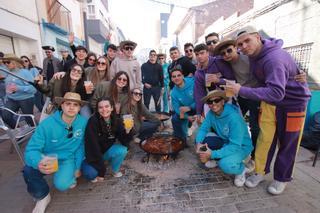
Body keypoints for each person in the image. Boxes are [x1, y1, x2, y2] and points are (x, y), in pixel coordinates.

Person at [228, 25, 311, 195]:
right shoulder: (254, 55)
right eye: (240, 44)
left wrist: (240, 90)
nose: (243, 46)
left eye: (247, 41)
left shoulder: (274, 58)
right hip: (270, 103)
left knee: (288, 143)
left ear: (257, 37)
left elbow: (276, 92)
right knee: (264, 140)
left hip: (293, 104)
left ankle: (282, 178)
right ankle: (260, 171)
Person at [22, 92, 87, 213]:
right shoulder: (47, 124)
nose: (72, 107)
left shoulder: (83, 123)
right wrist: (39, 162)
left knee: (62, 185)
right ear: (62, 105)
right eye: (68, 104)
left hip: (67, 159)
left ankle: (67, 175)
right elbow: (31, 149)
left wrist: (77, 167)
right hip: (47, 157)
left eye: (75, 105)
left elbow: (81, 146)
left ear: (79, 108)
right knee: (28, 170)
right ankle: (43, 196)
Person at [196, 90, 253, 187]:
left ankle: (241, 169)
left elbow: (234, 146)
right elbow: (203, 129)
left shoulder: (234, 118)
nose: (213, 104)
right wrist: (198, 143)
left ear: (223, 101)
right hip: (226, 142)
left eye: (216, 100)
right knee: (204, 141)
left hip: (241, 146)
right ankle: (218, 158)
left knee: (225, 165)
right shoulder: (211, 114)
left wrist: (211, 154)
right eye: (210, 102)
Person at [81, 98, 132, 182]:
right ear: (97, 109)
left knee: (123, 150)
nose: (104, 109)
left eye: (107, 106)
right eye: (100, 107)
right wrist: (102, 171)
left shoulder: (116, 120)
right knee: (91, 174)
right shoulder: (93, 121)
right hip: (91, 154)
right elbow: (93, 147)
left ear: (112, 108)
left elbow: (124, 141)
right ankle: (86, 166)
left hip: (104, 151)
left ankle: (114, 170)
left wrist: (128, 131)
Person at [193, 43, 234, 124]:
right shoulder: (198, 73)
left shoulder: (219, 61)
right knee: (212, 124)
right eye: (197, 54)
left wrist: (219, 81)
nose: (199, 56)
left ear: (207, 53)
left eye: (202, 53)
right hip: (212, 100)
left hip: (228, 96)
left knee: (230, 122)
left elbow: (232, 80)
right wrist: (198, 112)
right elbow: (199, 93)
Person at [1, 54, 36, 128]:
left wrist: (19, 88)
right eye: (4, 62)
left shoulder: (24, 72)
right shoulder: (7, 72)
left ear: (15, 62)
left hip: (25, 98)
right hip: (12, 99)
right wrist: (7, 96)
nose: (6, 64)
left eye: (8, 62)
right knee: (5, 116)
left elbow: (34, 89)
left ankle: (37, 132)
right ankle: (18, 130)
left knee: (29, 119)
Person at [170, 68, 196, 142]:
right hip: (186, 110)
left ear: (183, 76)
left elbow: (201, 98)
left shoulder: (192, 82)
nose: (176, 78)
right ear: (171, 79)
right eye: (174, 76)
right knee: (175, 119)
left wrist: (190, 107)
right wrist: (187, 117)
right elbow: (177, 109)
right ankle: (181, 139)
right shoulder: (173, 93)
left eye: (179, 75)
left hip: (198, 107)